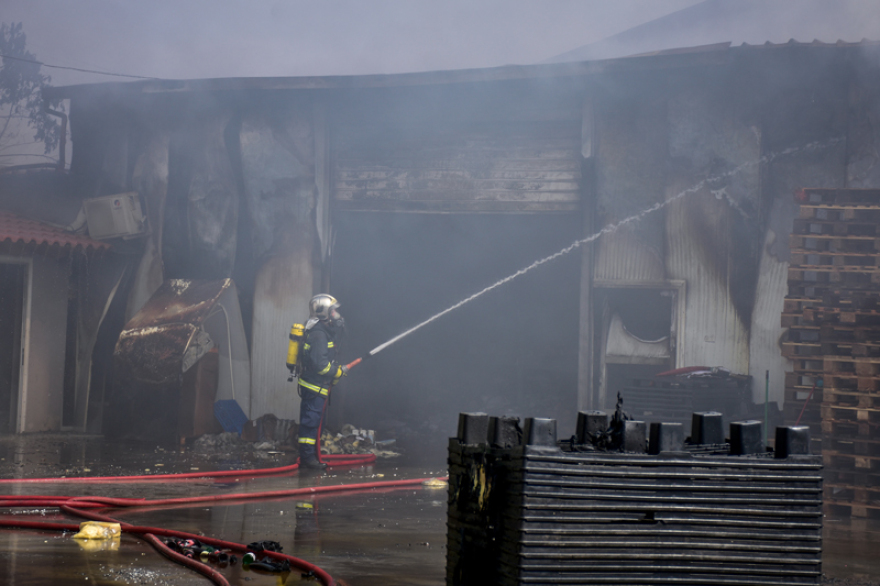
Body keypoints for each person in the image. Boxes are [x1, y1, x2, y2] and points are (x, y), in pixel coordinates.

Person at [296, 294, 347, 469]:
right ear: (324, 312)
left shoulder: (323, 331)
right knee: (310, 425)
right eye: (334, 311)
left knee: (317, 425)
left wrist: (336, 372)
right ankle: (307, 460)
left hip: (319, 387)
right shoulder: (319, 334)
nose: (337, 314)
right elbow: (320, 366)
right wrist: (337, 371)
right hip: (314, 387)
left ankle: (312, 456)